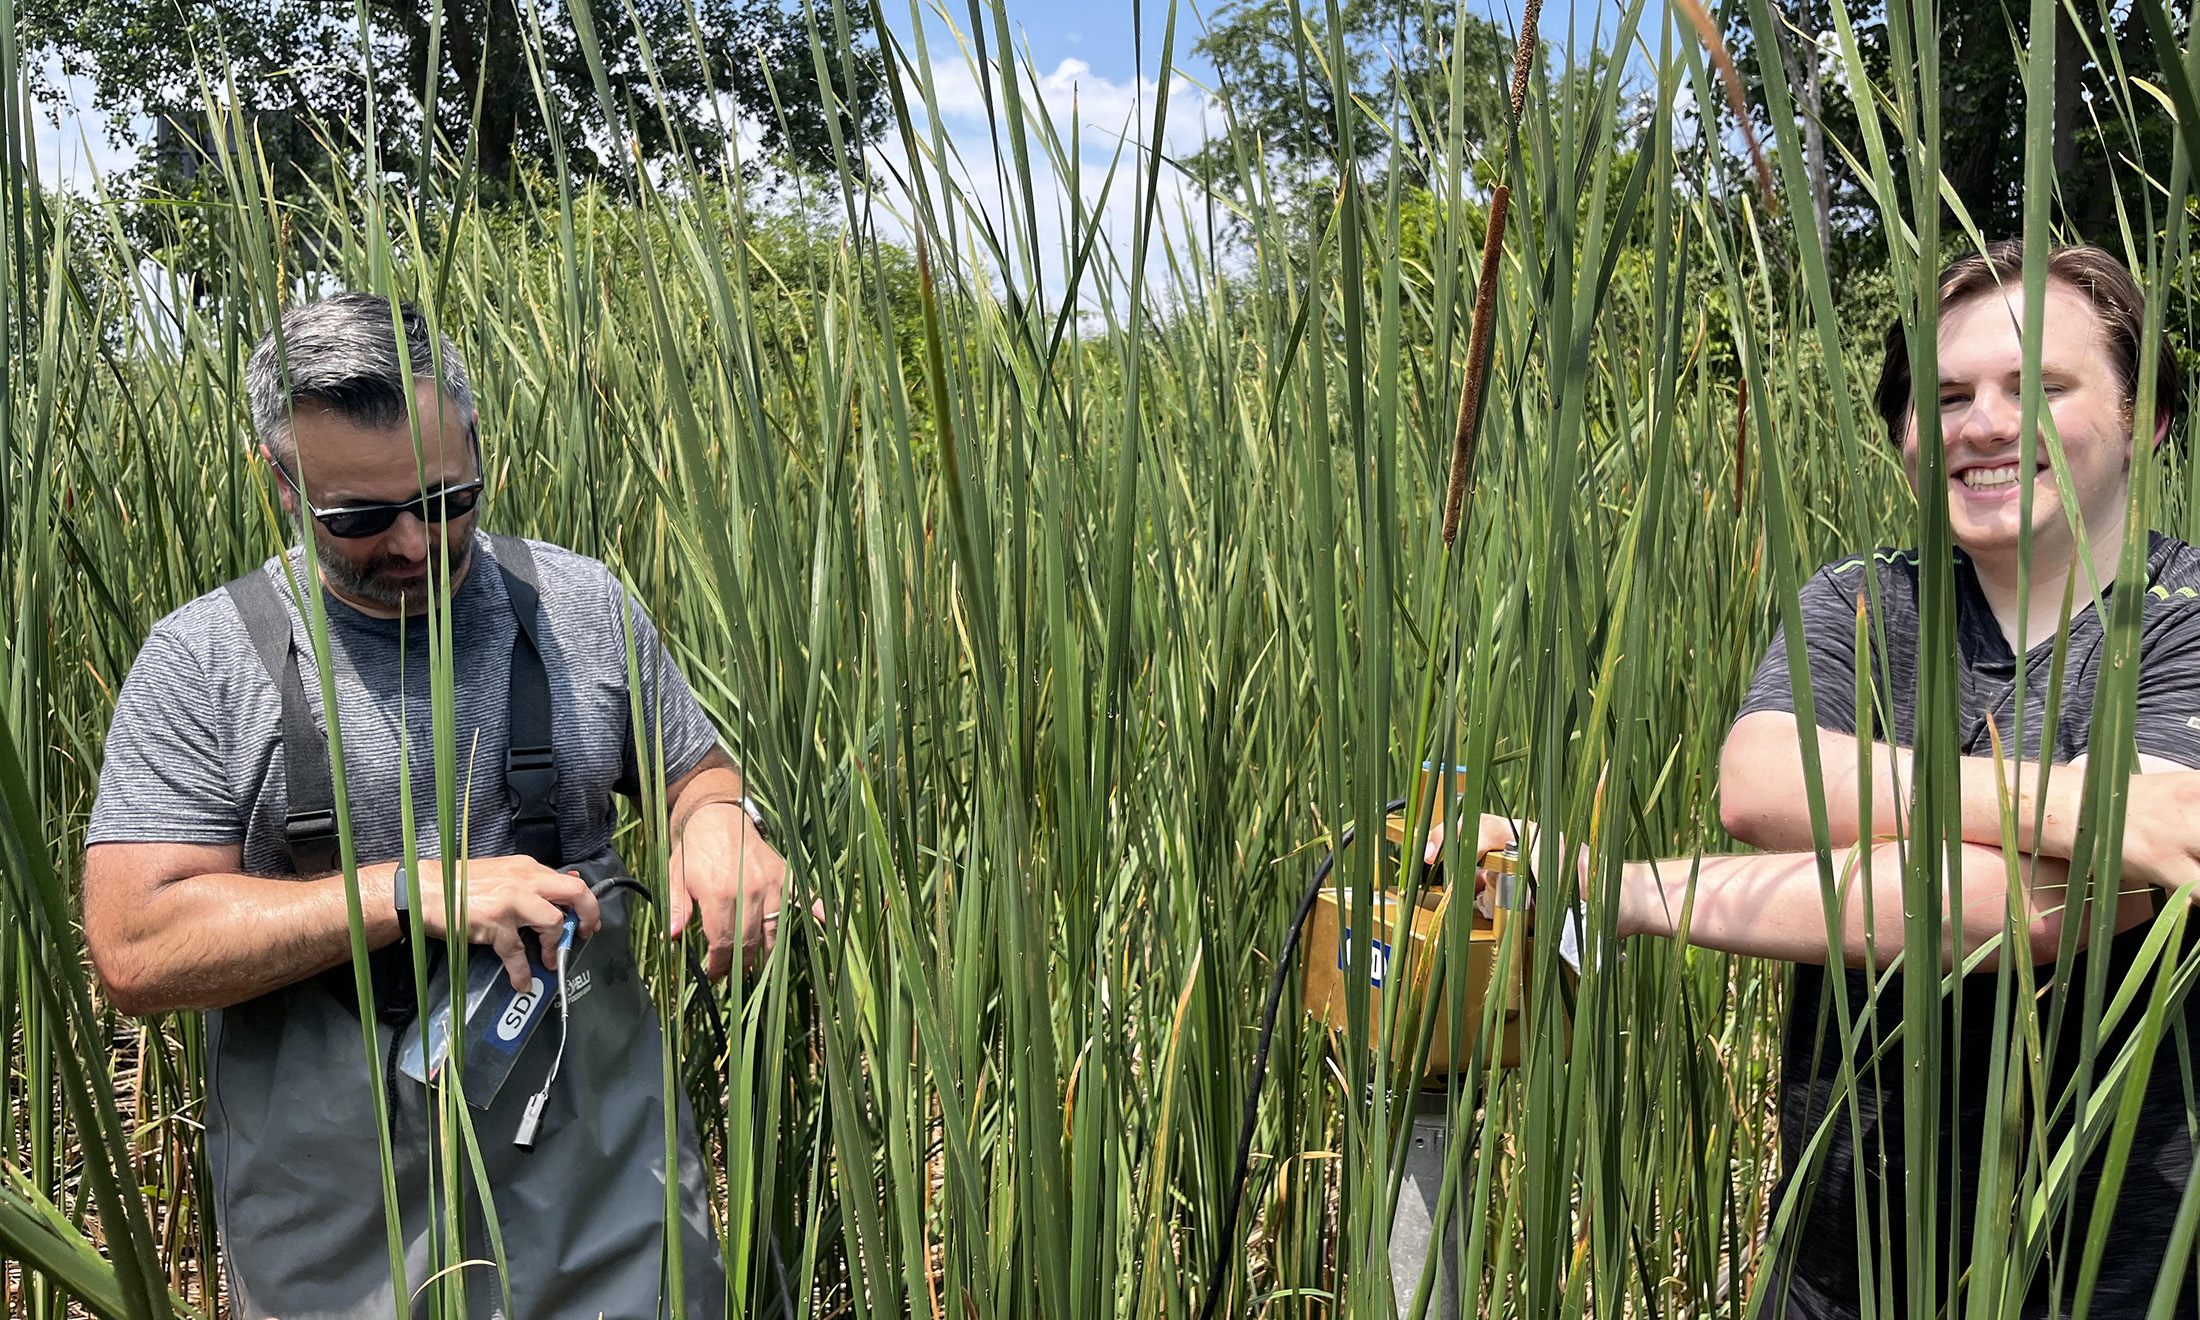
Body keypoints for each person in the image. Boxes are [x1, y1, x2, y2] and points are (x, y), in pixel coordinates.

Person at [1439, 242, 2200, 1315]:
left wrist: (1624, 892)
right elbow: (1761, 784)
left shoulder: (2184, 619)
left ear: (2145, 417)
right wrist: (2071, 805)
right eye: (1943, 396)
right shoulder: (1858, 600)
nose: (1982, 423)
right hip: (1837, 1269)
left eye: (2037, 387)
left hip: (2115, 1272)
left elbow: (2042, 904)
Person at [81, 294, 787, 1319]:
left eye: (447, 498)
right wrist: (412, 892)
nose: (415, 543)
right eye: (360, 518)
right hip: (339, 1217)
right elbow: (135, 948)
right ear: (277, 480)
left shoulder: (579, 605)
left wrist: (719, 820)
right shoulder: (203, 660)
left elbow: (697, 774)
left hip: (603, 1182)